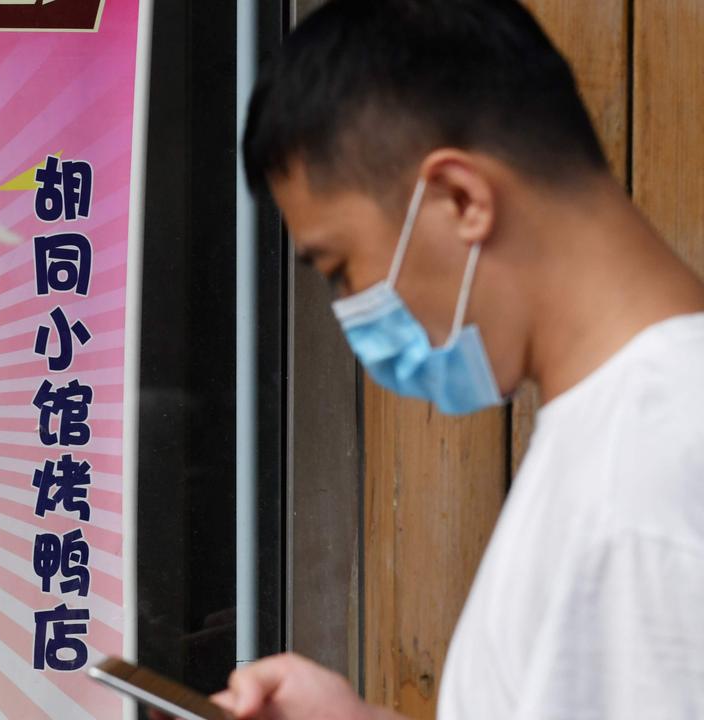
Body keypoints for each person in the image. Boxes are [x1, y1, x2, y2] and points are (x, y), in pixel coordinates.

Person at [189, 0, 704, 717]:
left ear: (462, 198)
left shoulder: (643, 483)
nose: (351, 312)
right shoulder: (628, 432)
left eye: (341, 268)